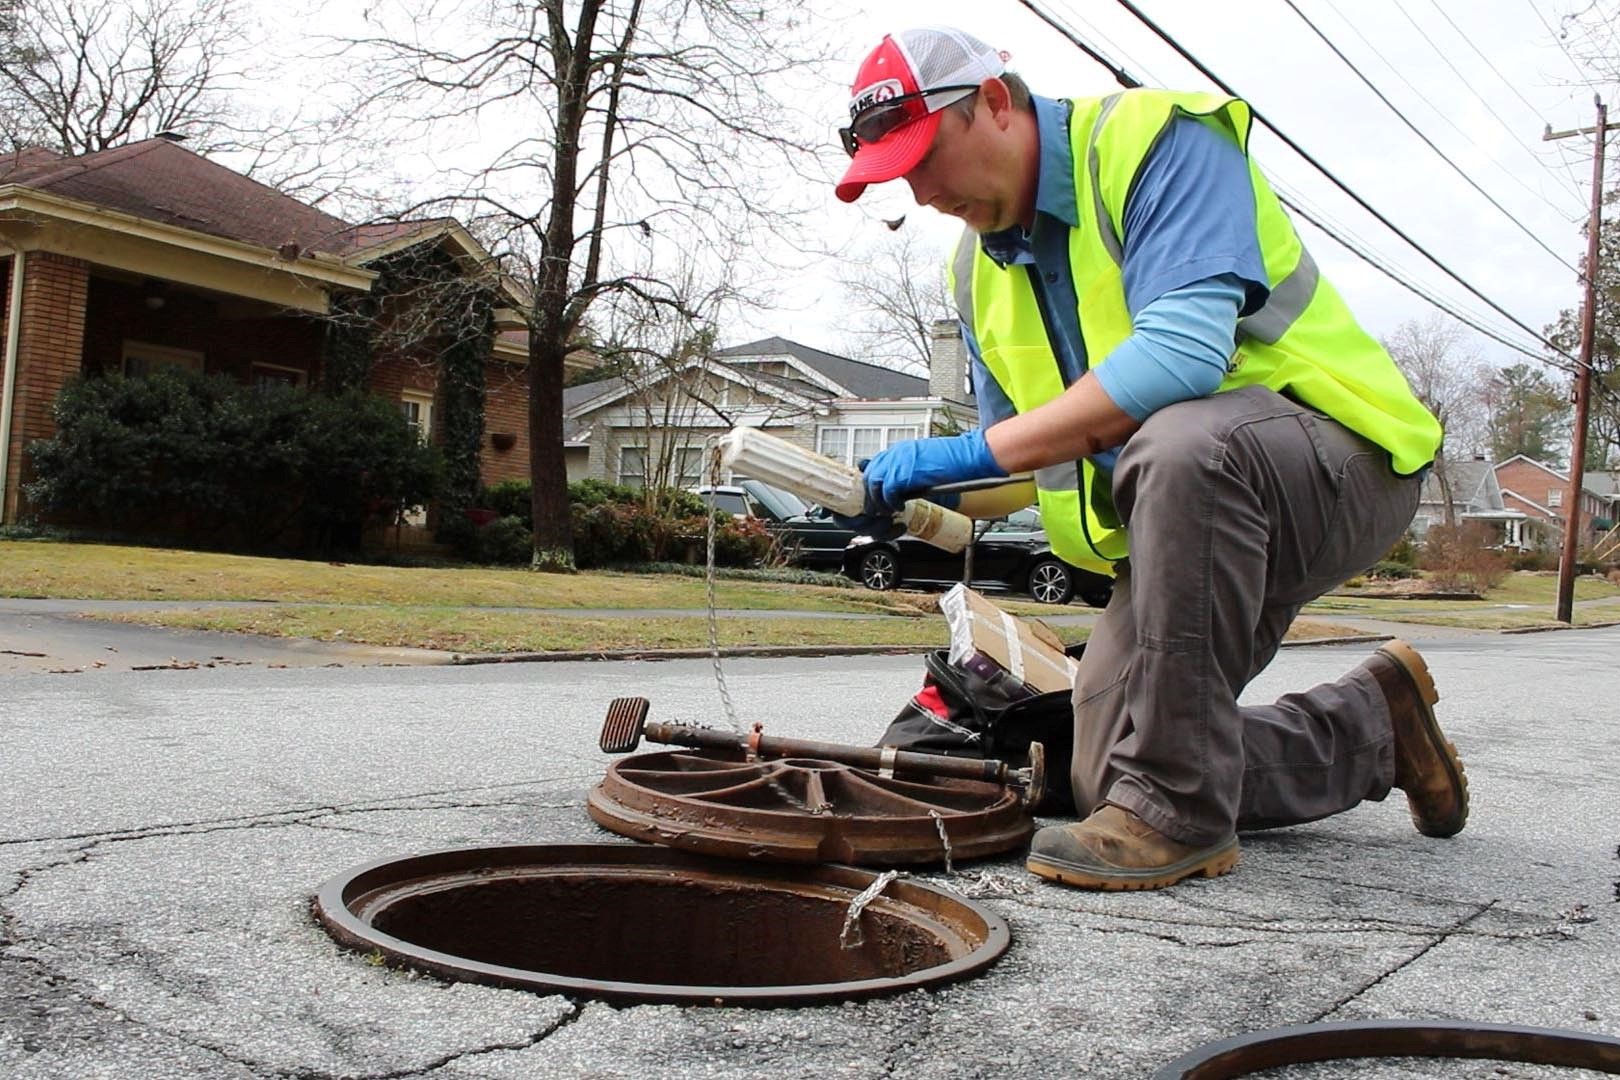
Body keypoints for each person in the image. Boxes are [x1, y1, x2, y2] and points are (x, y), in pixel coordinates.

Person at [833, 27, 1468, 891]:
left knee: (1183, 442)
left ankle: (1178, 816)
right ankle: (1371, 729)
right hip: (1190, 517)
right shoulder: (979, 273)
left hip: (1338, 463)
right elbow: (1025, 456)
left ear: (993, 101)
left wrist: (963, 449)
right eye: (895, 172)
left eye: (923, 155)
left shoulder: (1155, 139)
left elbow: (1180, 358)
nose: (920, 187)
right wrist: (915, 495)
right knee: (1103, 774)